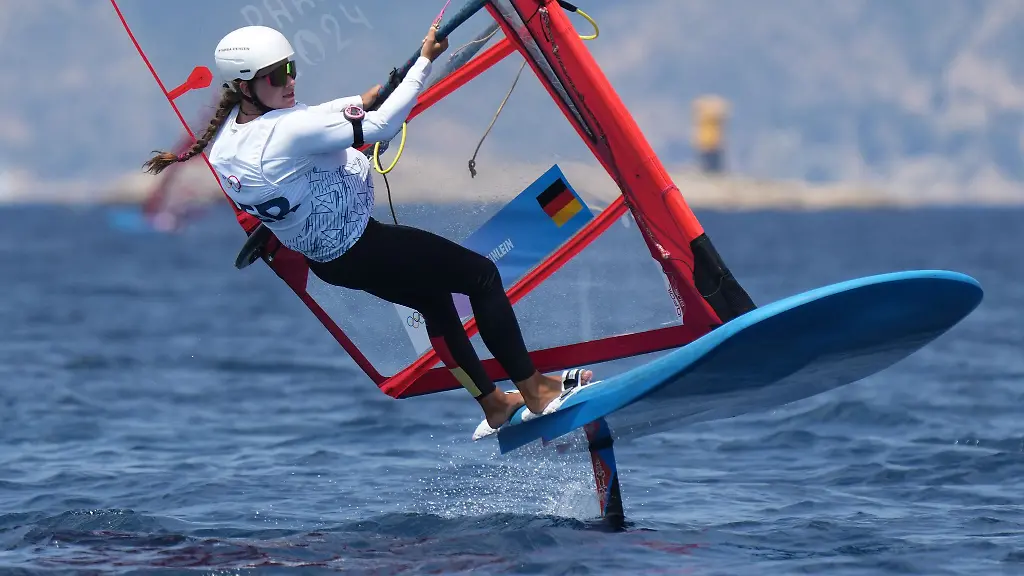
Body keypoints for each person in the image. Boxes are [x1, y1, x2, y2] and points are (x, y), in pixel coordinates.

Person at [141, 23, 595, 438]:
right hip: (368, 245)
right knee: (481, 277)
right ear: (245, 87)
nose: (290, 81)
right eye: (276, 76)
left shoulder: (224, 146)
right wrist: (425, 62)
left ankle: (493, 404)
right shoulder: (287, 130)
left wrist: (376, 94)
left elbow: (332, 118)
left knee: (435, 303)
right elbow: (380, 126)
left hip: (333, 265)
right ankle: (533, 388)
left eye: (290, 69)